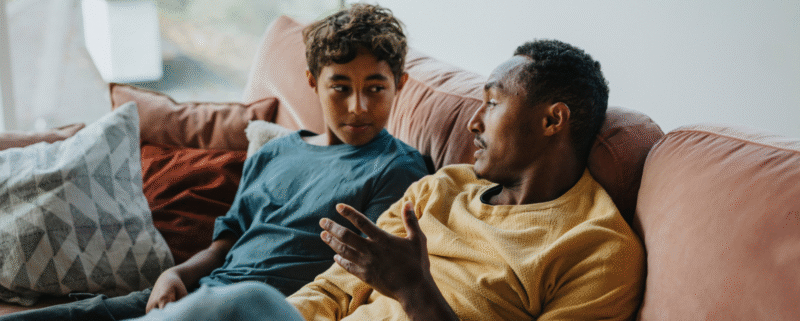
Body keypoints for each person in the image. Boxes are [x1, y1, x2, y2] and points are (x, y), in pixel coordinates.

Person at [127, 39, 646, 321]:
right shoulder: (440, 188)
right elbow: (333, 287)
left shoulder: (597, 248)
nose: (473, 123)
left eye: (491, 103)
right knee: (244, 307)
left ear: (552, 120)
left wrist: (416, 293)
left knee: (239, 303)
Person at [1, 3, 428, 321]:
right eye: (340, 88)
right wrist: (178, 275)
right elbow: (229, 240)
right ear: (313, 83)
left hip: (256, 308)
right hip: (201, 290)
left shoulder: (397, 170)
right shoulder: (277, 152)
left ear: (399, 85)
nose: (358, 106)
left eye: (375, 88)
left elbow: (360, 279)